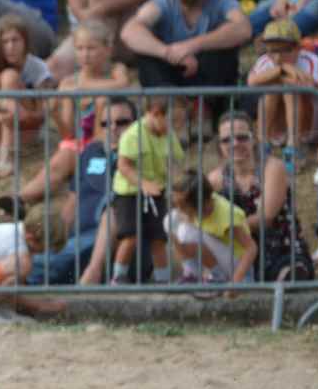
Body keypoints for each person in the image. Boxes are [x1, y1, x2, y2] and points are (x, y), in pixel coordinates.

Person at [20, 96, 133, 286]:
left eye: (122, 122)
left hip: (118, 242)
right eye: (106, 123)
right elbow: (73, 201)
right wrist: (55, 235)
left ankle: (91, 272)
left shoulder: (143, 156)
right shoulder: (91, 152)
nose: (113, 128)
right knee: (32, 251)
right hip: (79, 237)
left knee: (114, 204)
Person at [120, 0, 251, 96]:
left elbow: (243, 29)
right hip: (169, 76)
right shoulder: (163, 3)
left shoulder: (223, 2)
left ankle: (206, 112)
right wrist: (169, 53)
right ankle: (168, 109)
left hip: (208, 79)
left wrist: (192, 45)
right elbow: (129, 31)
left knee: (223, 54)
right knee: (147, 56)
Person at [208, 109, 316, 283]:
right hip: (238, 252)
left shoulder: (273, 167)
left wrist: (223, 229)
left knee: (290, 279)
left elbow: (266, 217)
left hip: (280, 249)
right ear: (219, 145)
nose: (235, 143)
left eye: (242, 137)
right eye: (226, 140)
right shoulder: (215, 178)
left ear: (254, 139)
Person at [108, 93, 183, 285]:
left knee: (159, 237)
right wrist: (143, 183)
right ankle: (118, 276)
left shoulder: (168, 135)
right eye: (172, 121)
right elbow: (124, 166)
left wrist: (178, 184)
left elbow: (176, 163)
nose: (176, 127)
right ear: (157, 114)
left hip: (157, 191)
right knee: (130, 236)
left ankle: (163, 280)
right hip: (129, 193)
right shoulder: (133, 134)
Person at [0, 13, 52, 179]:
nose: (10, 46)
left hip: (26, 128)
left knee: (9, 76)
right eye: (5, 42)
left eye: (15, 40)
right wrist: (6, 105)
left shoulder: (37, 67)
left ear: (25, 42)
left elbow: (43, 113)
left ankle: (7, 155)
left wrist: (25, 114)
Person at [165, 169, 257, 286]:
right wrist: (174, 237)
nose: (179, 210)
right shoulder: (197, 208)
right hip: (221, 259)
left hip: (238, 268)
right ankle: (193, 274)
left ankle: (217, 277)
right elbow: (183, 251)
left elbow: (251, 248)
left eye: (182, 206)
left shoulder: (227, 215)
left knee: (186, 232)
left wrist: (236, 282)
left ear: (201, 202)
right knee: (171, 221)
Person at [50, 18, 130, 148]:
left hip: (111, 144)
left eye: (91, 48)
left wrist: (80, 87)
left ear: (107, 50)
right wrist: (54, 114)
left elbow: (123, 84)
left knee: (102, 99)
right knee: (56, 164)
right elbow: (68, 134)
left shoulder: (116, 70)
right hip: (78, 144)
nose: (85, 55)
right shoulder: (68, 82)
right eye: (79, 48)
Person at [247, 18, 318, 148]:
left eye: (283, 50)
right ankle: (262, 143)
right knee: (273, 90)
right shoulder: (265, 60)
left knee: (289, 90)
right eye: (272, 50)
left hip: (307, 123)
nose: (277, 57)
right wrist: (282, 69)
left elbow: (311, 87)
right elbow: (251, 82)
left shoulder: (310, 59)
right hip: (276, 125)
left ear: (298, 48)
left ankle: (294, 146)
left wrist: (278, 76)